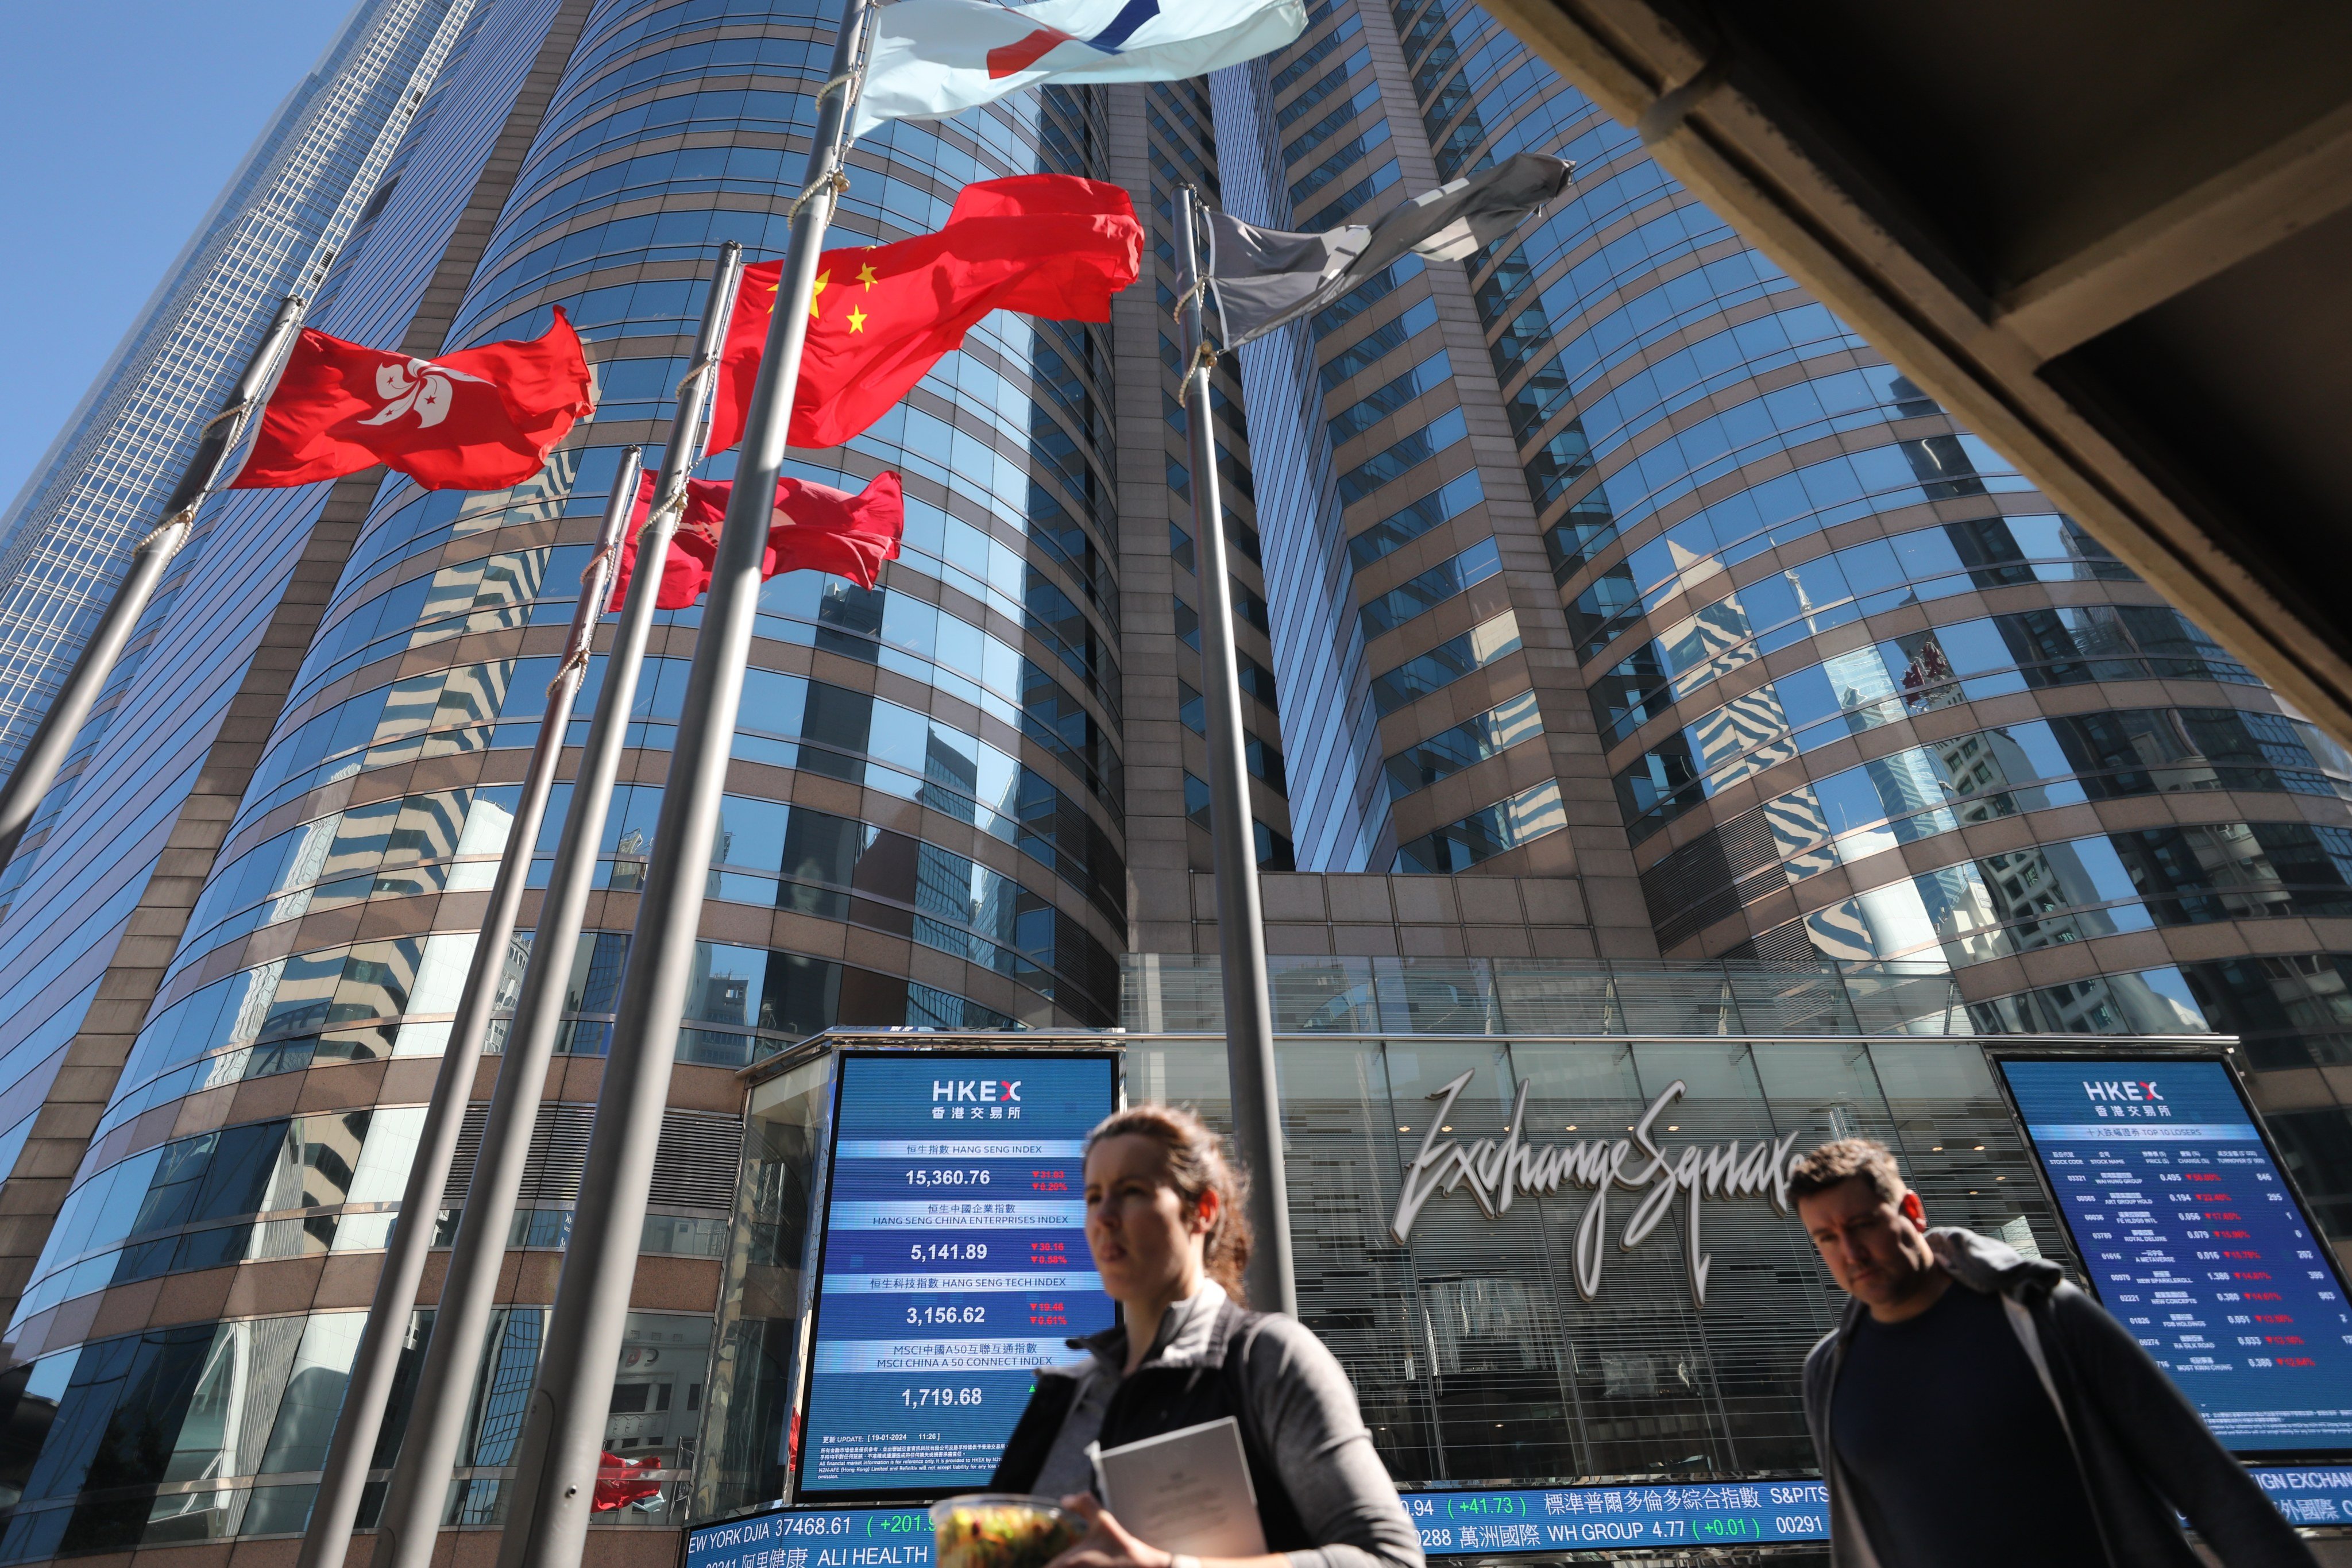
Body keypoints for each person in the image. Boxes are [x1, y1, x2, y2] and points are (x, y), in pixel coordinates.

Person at [1790, 1137, 2317, 1568]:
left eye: (1860, 1225)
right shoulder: (1830, 1373)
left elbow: (2204, 1482)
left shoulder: (2043, 1312)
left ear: (1911, 1210)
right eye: (1826, 1238)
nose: (1850, 1252)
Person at [992, 1103, 1424, 1568]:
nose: (1105, 1216)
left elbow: (1390, 1559)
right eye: (1094, 1197)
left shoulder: (1267, 1360)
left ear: (1203, 1210)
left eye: (1131, 1191)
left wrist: (1169, 1567)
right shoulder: (1066, 1393)